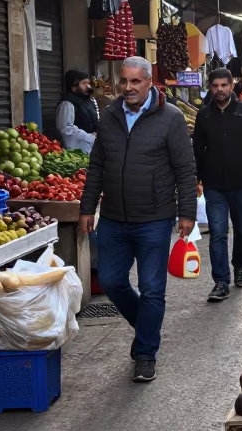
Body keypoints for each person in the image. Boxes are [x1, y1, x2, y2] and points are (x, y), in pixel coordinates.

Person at [80, 57, 198, 383]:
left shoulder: (171, 118)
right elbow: (97, 166)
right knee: (112, 280)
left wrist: (187, 212)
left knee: (152, 289)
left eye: (135, 82)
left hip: (154, 218)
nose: (128, 88)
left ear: (148, 82)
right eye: (124, 81)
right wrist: (87, 208)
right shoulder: (110, 116)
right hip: (114, 218)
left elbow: (185, 171)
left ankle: (145, 352)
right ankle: (146, 327)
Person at [192, 68, 242, 303]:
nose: (219, 90)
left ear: (232, 85)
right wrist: (196, 178)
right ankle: (221, 281)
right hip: (214, 185)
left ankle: (240, 267)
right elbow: (197, 149)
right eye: (215, 86)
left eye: (224, 85)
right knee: (217, 233)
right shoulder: (203, 116)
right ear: (210, 87)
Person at [56, 69, 98, 154]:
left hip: (92, 148)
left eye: (88, 83)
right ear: (74, 87)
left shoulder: (88, 100)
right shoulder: (67, 103)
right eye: (84, 83)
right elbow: (66, 128)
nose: (88, 86)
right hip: (78, 152)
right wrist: (88, 137)